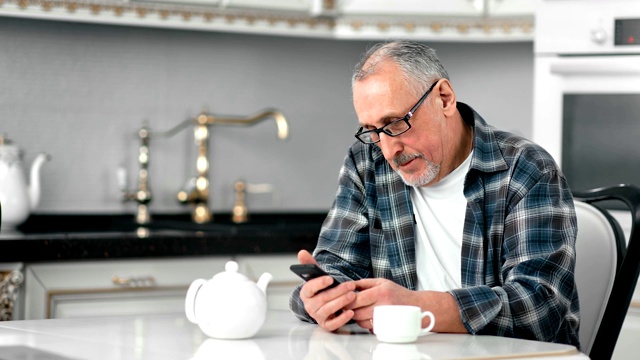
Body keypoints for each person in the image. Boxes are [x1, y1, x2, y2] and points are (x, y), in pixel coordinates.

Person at [289, 40, 580, 347]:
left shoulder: (525, 168)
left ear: (444, 98)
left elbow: (542, 307)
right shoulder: (367, 164)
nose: (389, 150)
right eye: (373, 131)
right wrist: (320, 298)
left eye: (396, 123)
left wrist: (416, 307)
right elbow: (338, 267)